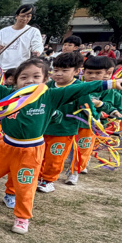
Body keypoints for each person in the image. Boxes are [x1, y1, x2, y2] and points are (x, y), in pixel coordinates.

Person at [0, 58, 122, 234]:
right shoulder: (8, 94)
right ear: (16, 81)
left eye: (36, 76)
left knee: (25, 184)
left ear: (45, 80)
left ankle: (22, 217)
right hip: (5, 146)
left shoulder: (51, 96)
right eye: (24, 77)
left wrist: (112, 84)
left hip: (31, 150)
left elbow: (82, 87)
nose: (30, 80)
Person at [68, 55, 122, 184]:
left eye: (98, 73)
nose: (93, 76)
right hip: (71, 123)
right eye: (89, 73)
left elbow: (116, 111)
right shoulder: (78, 86)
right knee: (68, 148)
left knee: (83, 149)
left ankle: (74, 172)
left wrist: (102, 106)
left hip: (90, 126)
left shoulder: (110, 91)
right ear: (83, 72)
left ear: (107, 74)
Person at [36, 52, 86, 193]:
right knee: (38, 155)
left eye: (64, 70)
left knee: (55, 158)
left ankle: (48, 180)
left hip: (64, 130)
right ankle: (36, 177)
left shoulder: (79, 88)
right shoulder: (47, 85)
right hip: (43, 128)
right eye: (56, 70)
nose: (58, 74)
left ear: (76, 71)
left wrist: (93, 115)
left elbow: (87, 107)